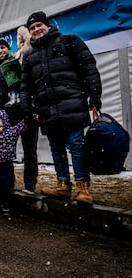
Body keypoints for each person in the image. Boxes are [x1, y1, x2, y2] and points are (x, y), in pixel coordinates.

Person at [20, 11, 102, 204]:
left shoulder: (69, 41)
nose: (36, 30)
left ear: (48, 26)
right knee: (56, 149)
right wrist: (28, 110)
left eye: (39, 25)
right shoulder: (30, 56)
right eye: (32, 28)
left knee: (76, 146)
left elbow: (89, 67)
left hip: (72, 104)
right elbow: (25, 87)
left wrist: (94, 96)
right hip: (47, 110)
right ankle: (63, 184)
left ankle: (83, 188)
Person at [0, 38, 39, 195]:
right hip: (4, 116)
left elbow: (32, 84)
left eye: (3, 48)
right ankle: (9, 183)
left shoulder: (19, 61)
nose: (0, 51)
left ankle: (30, 184)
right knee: (5, 152)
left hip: (25, 112)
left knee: (30, 150)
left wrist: (34, 109)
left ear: (8, 49)